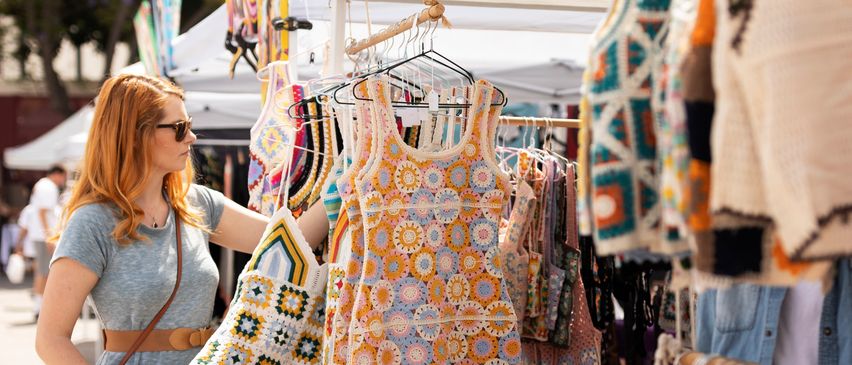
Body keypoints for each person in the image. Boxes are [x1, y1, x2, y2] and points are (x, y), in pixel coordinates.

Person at [34, 74, 275, 365]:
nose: (191, 137)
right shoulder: (93, 222)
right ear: (136, 135)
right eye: (179, 128)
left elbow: (285, 240)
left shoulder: (197, 204)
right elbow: (50, 339)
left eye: (189, 126)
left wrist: (341, 188)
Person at [28, 165, 66, 320]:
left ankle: (39, 306)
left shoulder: (43, 185)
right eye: (63, 177)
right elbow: (43, 212)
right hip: (44, 235)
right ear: (57, 174)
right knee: (44, 272)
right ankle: (39, 308)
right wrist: (48, 236)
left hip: (40, 235)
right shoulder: (48, 187)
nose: (63, 180)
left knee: (43, 271)